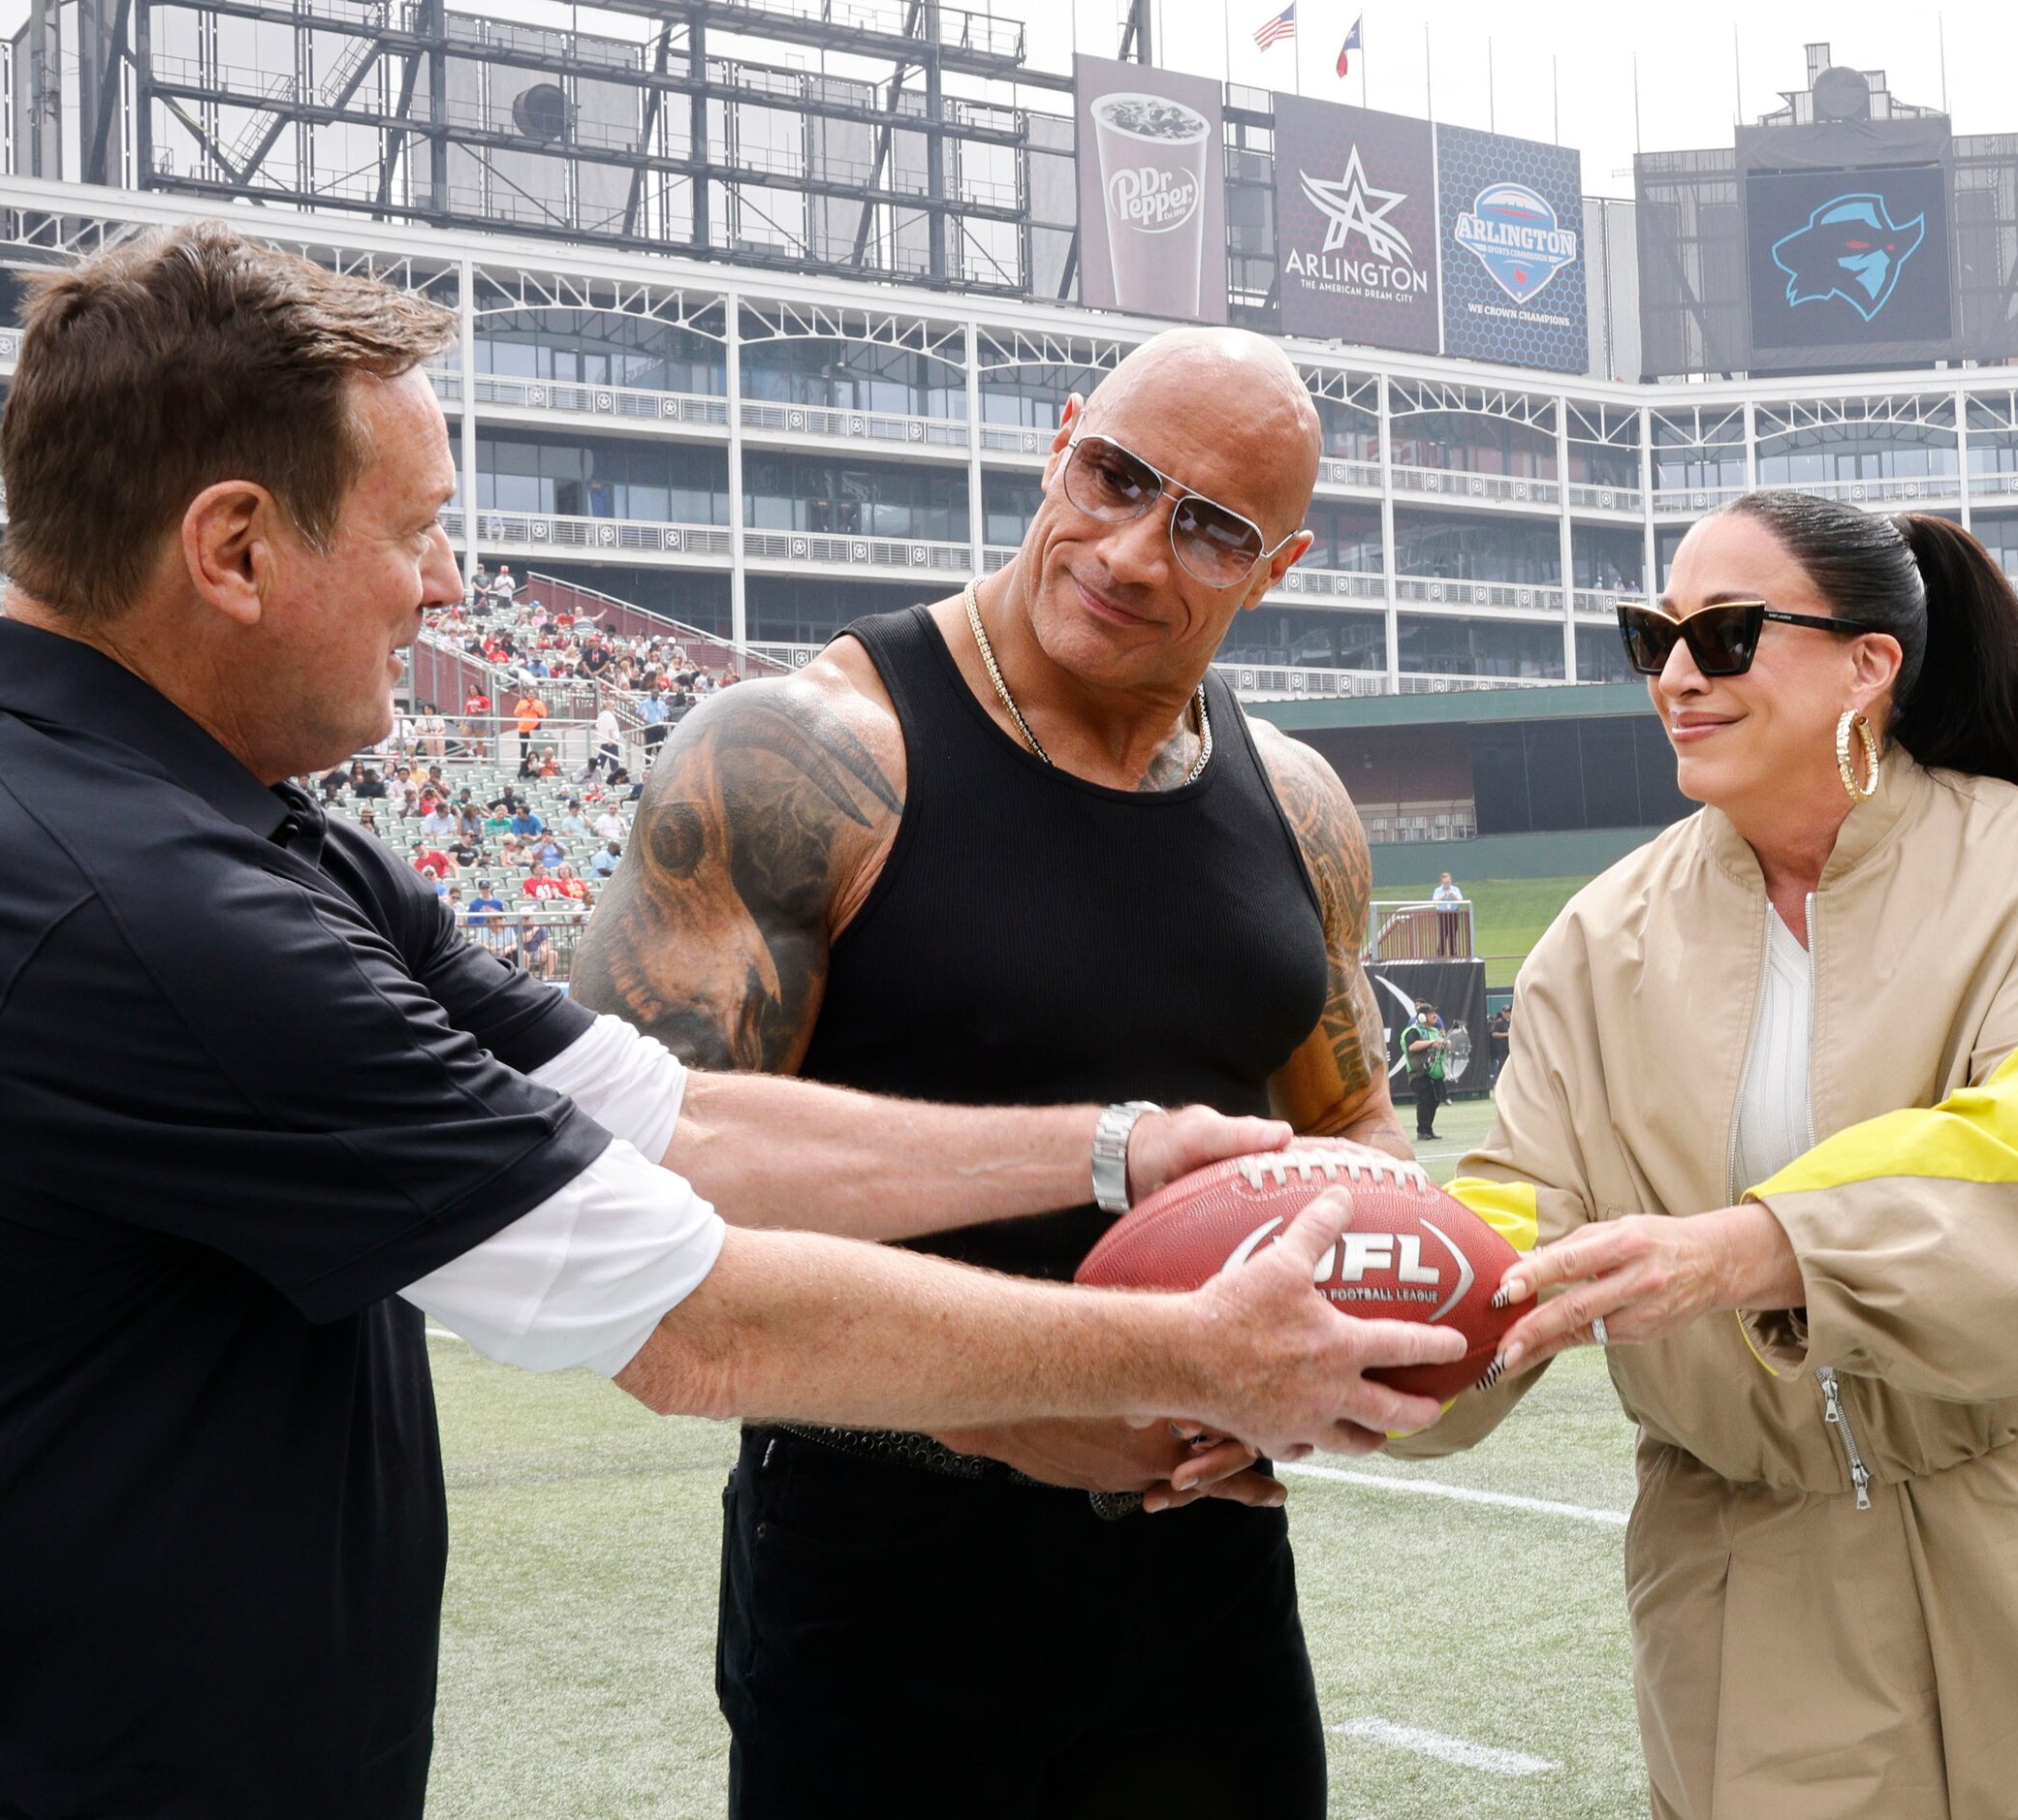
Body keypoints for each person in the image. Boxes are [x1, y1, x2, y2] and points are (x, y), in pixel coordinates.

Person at [0, 226, 1460, 1819]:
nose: (450, 583)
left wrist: (1118, 1150)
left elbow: (668, 1116)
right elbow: (693, 1316)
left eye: (1212, 526)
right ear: (238, 547)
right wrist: (1198, 1351)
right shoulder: (135, 905)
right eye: (418, 529)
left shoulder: (224, 833)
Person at [575, 327, 1447, 1820]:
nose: (1128, 548)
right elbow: (630, 1209)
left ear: (1278, 564)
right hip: (882, 1555)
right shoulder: (795, 756)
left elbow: (1353, 1120)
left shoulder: (1297, 804)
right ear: (1060, 440)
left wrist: (1389, 1310)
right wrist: (996, 1401)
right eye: (1112, 475)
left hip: (1206, 1566)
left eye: (1210, 526)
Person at [1409, 490, 2018, 1815]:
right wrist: (1357, 1333)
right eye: (1646, 637)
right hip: (1742, 1596)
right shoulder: (1594, 946)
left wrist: (1751, 1250)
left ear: (1867, 663)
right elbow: (1506, 1223)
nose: (1670, 675)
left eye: (1717, 635)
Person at [1400, 1006, 1450, 1139]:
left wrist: (1446, 1044)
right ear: (1422, 1016)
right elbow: (1412, 1046)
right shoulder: (1413, 1031)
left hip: (1435, 1071)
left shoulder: (1435, 1031)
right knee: (1425, 1099)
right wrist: (1432, 1042)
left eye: (1434, 1012)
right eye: (1431, 1013)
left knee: (1435, 1100)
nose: (1435, 1016)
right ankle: (1422, 1131)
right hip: (1418, 1072)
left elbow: (1442, 1046)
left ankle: (1428, 1130)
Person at [1431, 869, 1466, 957]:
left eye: (1448, 882)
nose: (1447, 884)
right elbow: (1434, 902)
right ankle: (1440, 953)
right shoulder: (1437, 890)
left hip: (1453, 913)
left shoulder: (1455, 889)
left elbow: (1461, 901)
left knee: (1452, 933)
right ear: (1442, 882)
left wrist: (1453, 897)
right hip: (1442, 914)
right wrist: (1442, 897)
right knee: (1443, 933)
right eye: (1445, 883)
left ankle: (1453, 953)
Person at [1486, 1002, 1511, 1087]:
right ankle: (1502, 1084)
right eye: (1506, 1011)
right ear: (1502, 1012)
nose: (1508, 1013)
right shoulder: (1499, 1022)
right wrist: (1505, 1034)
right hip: (1501, 1049)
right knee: (1502, 1066)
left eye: (1509, 1012)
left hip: (1510, 1049)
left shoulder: (1512, 1021)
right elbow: (1494, 1034)